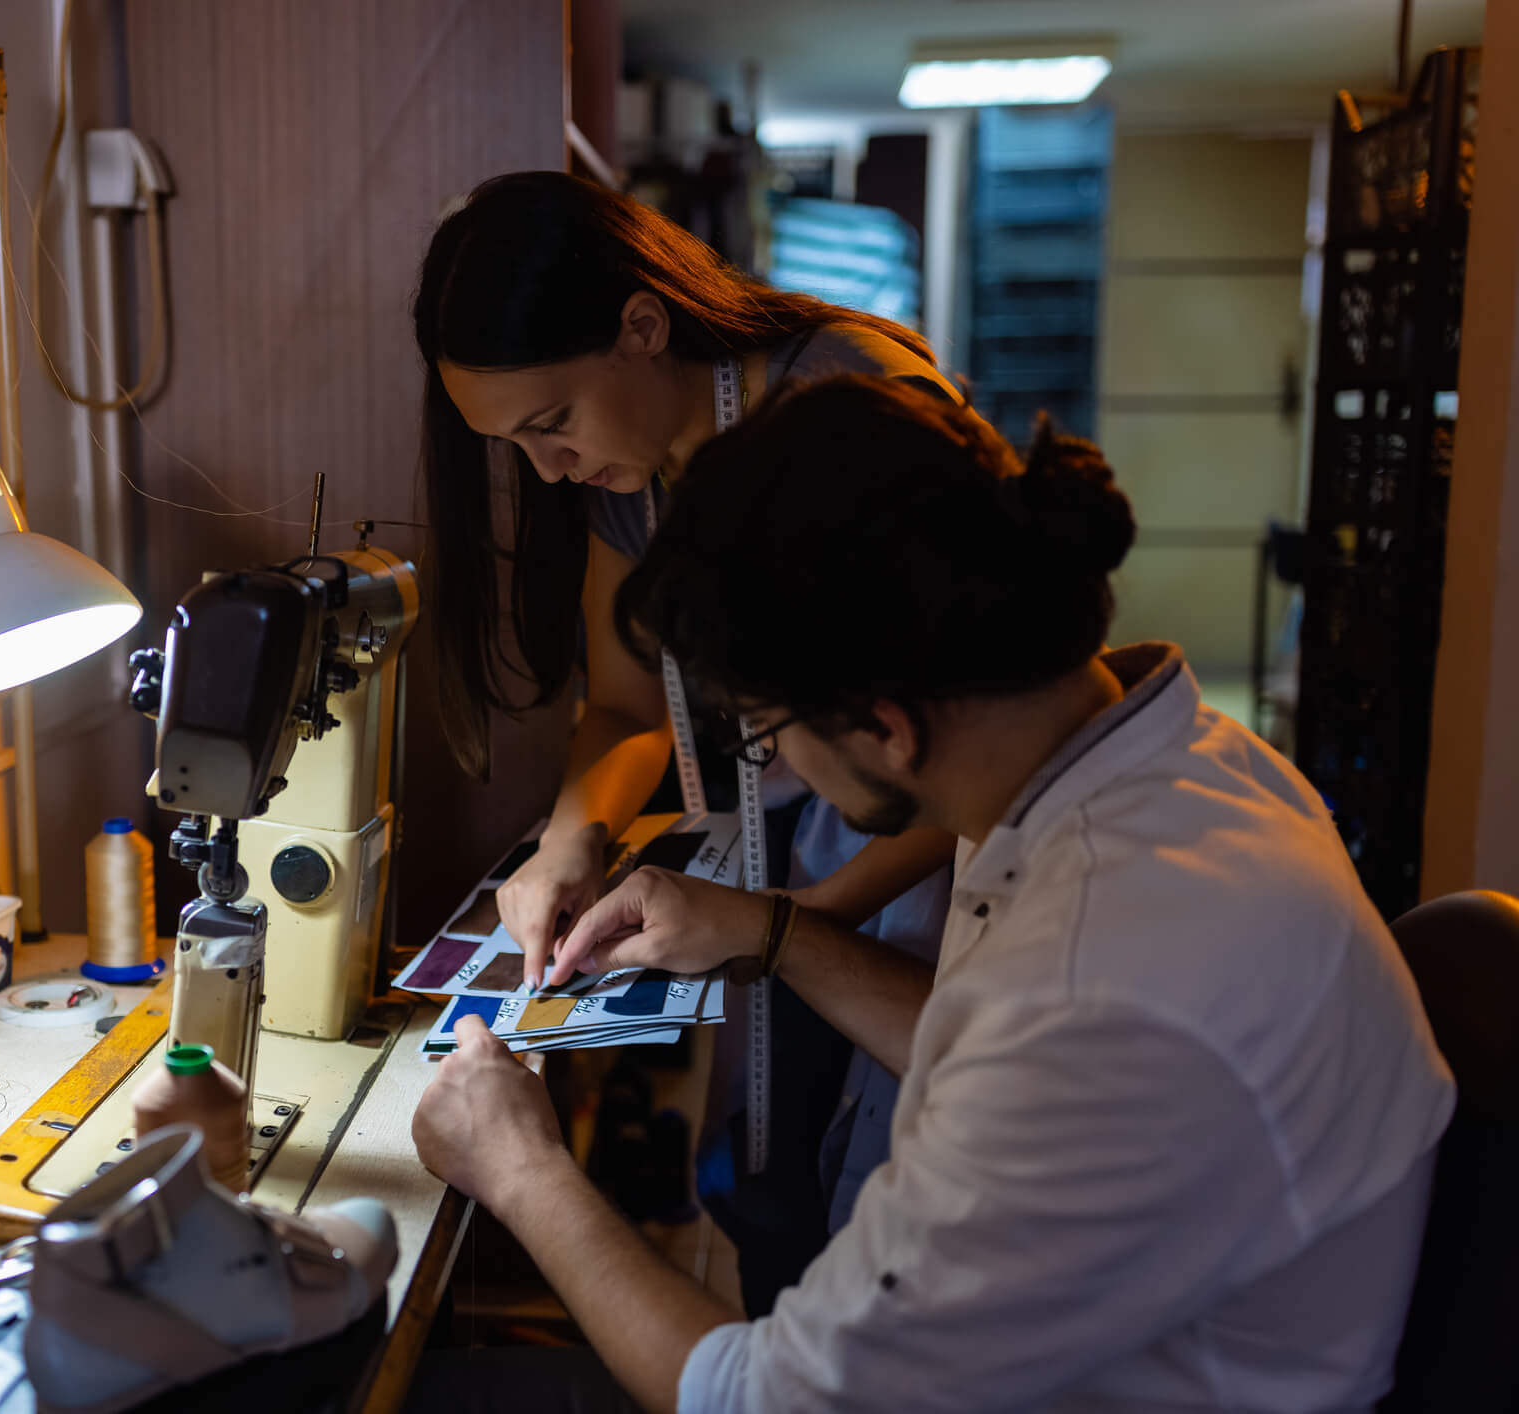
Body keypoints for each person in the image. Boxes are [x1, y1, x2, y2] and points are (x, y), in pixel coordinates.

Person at [410, 375, 1454, 1413]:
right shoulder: (1180, 767)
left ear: (883, 725)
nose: (782, 761)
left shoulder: (1100, 987)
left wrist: (519, 1166)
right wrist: (771, 931)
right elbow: (987, 1049)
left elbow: (760, 1400)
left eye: (770, 737)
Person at [416, 172, 958, 1296]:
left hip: (918, 878)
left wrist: (787, 926)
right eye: (513, 445)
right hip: (790, 876)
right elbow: (622, 707)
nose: (545, 471)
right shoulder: (632, 473)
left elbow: (969, 762)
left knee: (887, 1217)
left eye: (551, 424)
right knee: (767, 1205)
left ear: (643, 326)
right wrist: (565, 844)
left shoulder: (848, 406)